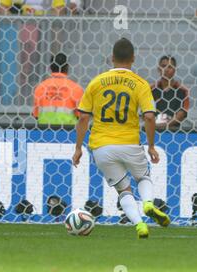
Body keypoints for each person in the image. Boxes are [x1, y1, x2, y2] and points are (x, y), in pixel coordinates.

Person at [72, 38, 171, 239]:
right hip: (129, 143)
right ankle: (148, 203)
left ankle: (140, 224)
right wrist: (151, 146)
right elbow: (150, 117)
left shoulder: (96, 83)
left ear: (111, 58)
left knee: (123, 190)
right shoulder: (140, 84)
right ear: (133, 58)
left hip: (101, 146)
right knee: (142, 177)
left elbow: (83, 117)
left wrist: (78, 148)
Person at [33, 53, 83, 125]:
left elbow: (36, 115)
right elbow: (80, 116)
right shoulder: (75, 88)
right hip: (68, 133)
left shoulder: (40, 87)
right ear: (67, 67)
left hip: (44, 132)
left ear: (50, 67)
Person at [150, 55, 190, 130]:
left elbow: (181, 114)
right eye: (163, 66)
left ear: (175, 70)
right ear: (159, 69)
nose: (166, 69)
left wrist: (164, 126)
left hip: (174, 133)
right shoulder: (151, 90)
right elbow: (145, 113)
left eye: (169, 67)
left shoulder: (183, 91)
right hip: (153, 131)